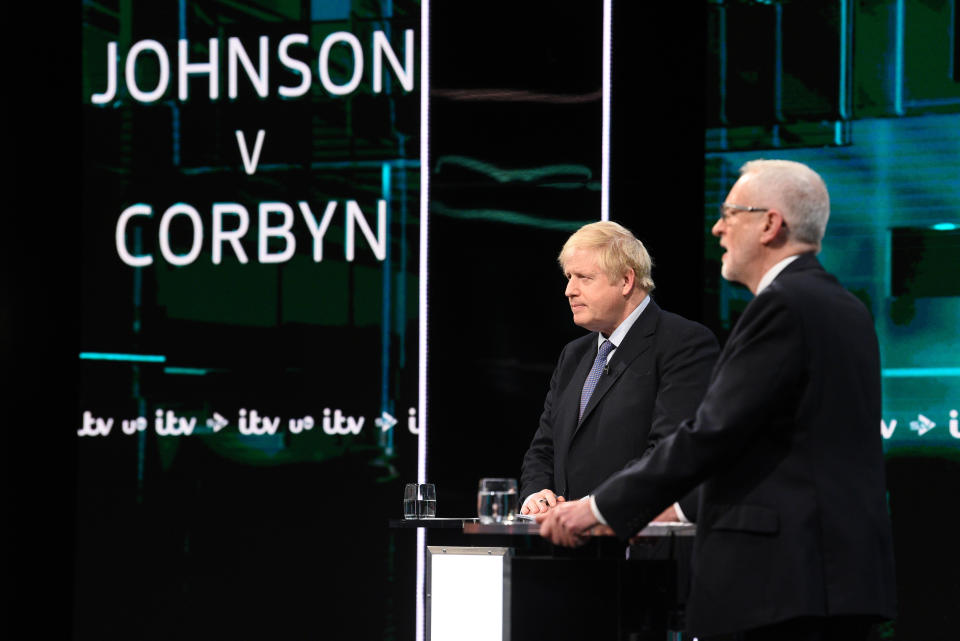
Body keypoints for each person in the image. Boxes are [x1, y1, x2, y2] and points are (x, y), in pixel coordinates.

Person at [537, 160, 897, 640]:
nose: (718, 227)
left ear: (770, 224)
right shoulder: (844, 305)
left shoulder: (783, 306)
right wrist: (678, 508)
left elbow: (713, 433)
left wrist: (601, 508)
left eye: (731, 213)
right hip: (836, 578)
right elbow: (777, 443)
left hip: (786, 583)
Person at [520, 221, 718, 524]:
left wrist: (592, 507)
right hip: (564, 547)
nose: (569, 290)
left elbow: (668, 451)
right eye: (569, 277)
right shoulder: (573, 354)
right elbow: (544, 447)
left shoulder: (684, 343)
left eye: (584, 278)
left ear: (626, 281)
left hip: (638, 545)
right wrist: (537, 493)